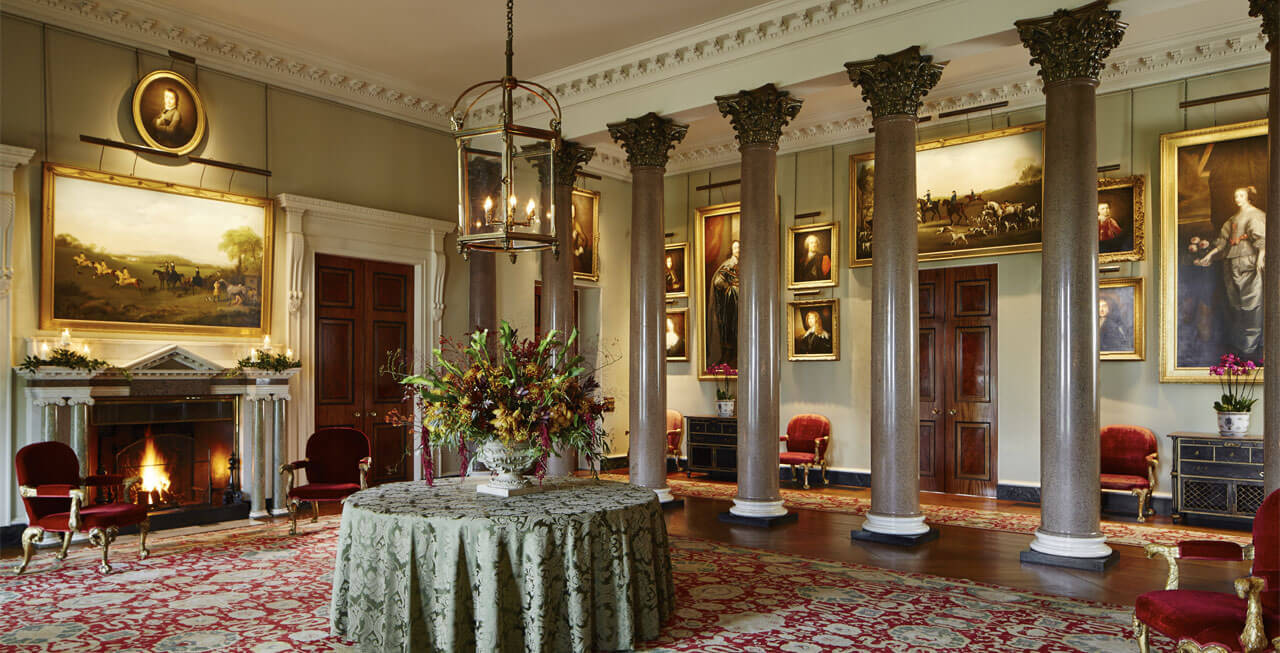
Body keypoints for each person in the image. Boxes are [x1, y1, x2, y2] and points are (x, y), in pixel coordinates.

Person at [1194, 186, 1266, 358]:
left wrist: (1260, 258)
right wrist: (1209, 256)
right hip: (1231, 263)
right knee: (1236, 303)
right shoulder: (1232, 219)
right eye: (1235, 195)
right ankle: (1241, 343)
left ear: (1249, 197)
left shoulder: (1256, 215)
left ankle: (1252, 344)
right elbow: (1223, 243)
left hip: (1249, 262)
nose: (1237, 198)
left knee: (1252, 302)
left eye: (1241, 195)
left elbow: (1262, 240)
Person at [711, 240, 740, 365]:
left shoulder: (743, 264)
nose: (738, 250)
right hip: (731, 301)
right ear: (732, 250)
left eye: (739, 247)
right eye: (735, 248)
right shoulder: (729, 265)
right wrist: (730, 286)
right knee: (731, 327)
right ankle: (729, 355)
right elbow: (718, 282)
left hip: (740, 301)